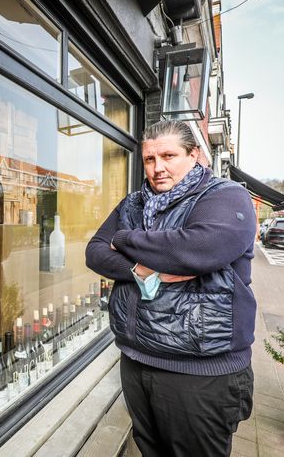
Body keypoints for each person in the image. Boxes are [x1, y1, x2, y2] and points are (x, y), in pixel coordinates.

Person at [86, 120, 256, 457]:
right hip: (136, 360)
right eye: (149, 159)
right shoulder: (134, 204)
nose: (157, 168)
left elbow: (196, 248)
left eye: (168, 155)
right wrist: (140, 268)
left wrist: (124, 239)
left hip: (199, 374)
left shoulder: (226, 196)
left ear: (194, 155)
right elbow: (95, 252)